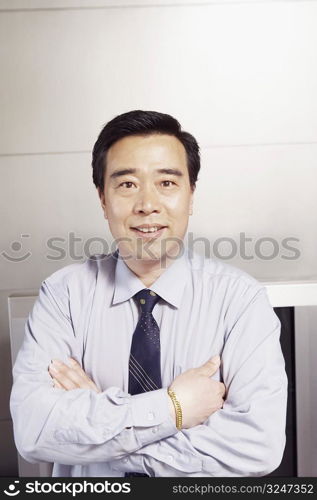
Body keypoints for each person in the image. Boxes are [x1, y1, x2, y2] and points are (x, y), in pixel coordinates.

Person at [10, 110, 287, 477]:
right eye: (126, 184)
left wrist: (99, 434)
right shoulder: (63, 296)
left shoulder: (240, 301)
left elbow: (259, 449)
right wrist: (173, 409)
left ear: (191, 195)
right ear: (102, 199)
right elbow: (34, 432)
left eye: (167, 184)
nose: (147, 204)